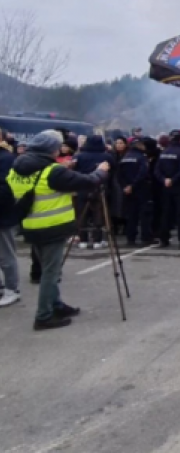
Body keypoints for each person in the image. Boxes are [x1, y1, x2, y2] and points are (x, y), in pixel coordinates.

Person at [6, 130, 109, 330]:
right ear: (51, 150)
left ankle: (56, 304)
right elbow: (87, 182)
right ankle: (44, 316)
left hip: (30, 225)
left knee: (47, 269)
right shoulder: (52, 171)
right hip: (51, 227)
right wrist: (101, 171)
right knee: (51, 273)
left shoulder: (17, 168)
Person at [155, 129, 180, 249]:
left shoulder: (164, 153)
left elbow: (157, 170)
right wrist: (173, 179)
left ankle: (164, 239)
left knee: (166, 214)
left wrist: (164, 180)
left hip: (166, 188)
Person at [73, 134, 113, 250]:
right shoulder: (107, 156)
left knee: (82, 215)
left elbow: (75, 170)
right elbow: (113, 170)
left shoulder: (80, 156)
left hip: (82, 188)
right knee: (98, 214)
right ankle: (98, 239)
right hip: (100, 188)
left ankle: (83, 240)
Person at [118, 138, 153, 247]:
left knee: (131, 214)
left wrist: (125, 186)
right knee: (144, 214)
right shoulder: (142, 157)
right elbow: (143, 173)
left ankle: (131, 238)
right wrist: (133, 185)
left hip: (127, 190)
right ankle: (145, 237)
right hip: (140, 189)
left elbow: (119, 174)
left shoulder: (125, 157)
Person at [0, 129, 20, 307]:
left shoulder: (6, 158)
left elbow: (6, 189)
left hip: (2, 214)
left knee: (6, 255)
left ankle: (12, 289)